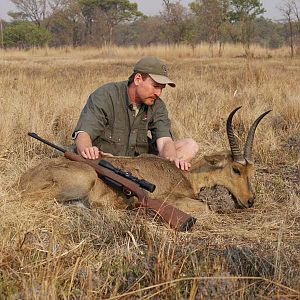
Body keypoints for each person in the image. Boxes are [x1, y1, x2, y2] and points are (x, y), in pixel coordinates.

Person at [72, 56, 199, 171]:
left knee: (190, 145)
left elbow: (165, 141)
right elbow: (83, 134)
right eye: (155, 86)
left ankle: (164, 176)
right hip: (106, 162)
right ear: (138, 79)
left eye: (162, 88)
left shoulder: (157, 105)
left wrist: (172, 160)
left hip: (139, 167)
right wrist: (88, 150)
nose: (159, 93)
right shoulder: (106, 95)